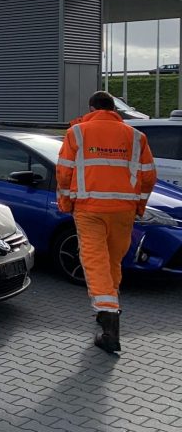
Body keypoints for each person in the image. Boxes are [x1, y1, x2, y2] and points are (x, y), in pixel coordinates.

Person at [56, 90, 156, 354]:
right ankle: (110, 307)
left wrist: (66, 203)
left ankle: (109, 321)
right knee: (112, 261)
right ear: (114, 109)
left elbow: (64, 173)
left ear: (92, 109)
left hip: (89, 208)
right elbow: (148, 177)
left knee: (94, 261)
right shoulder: (136, 137)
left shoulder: (77, 133)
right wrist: (139, 206)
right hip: (123, 210)